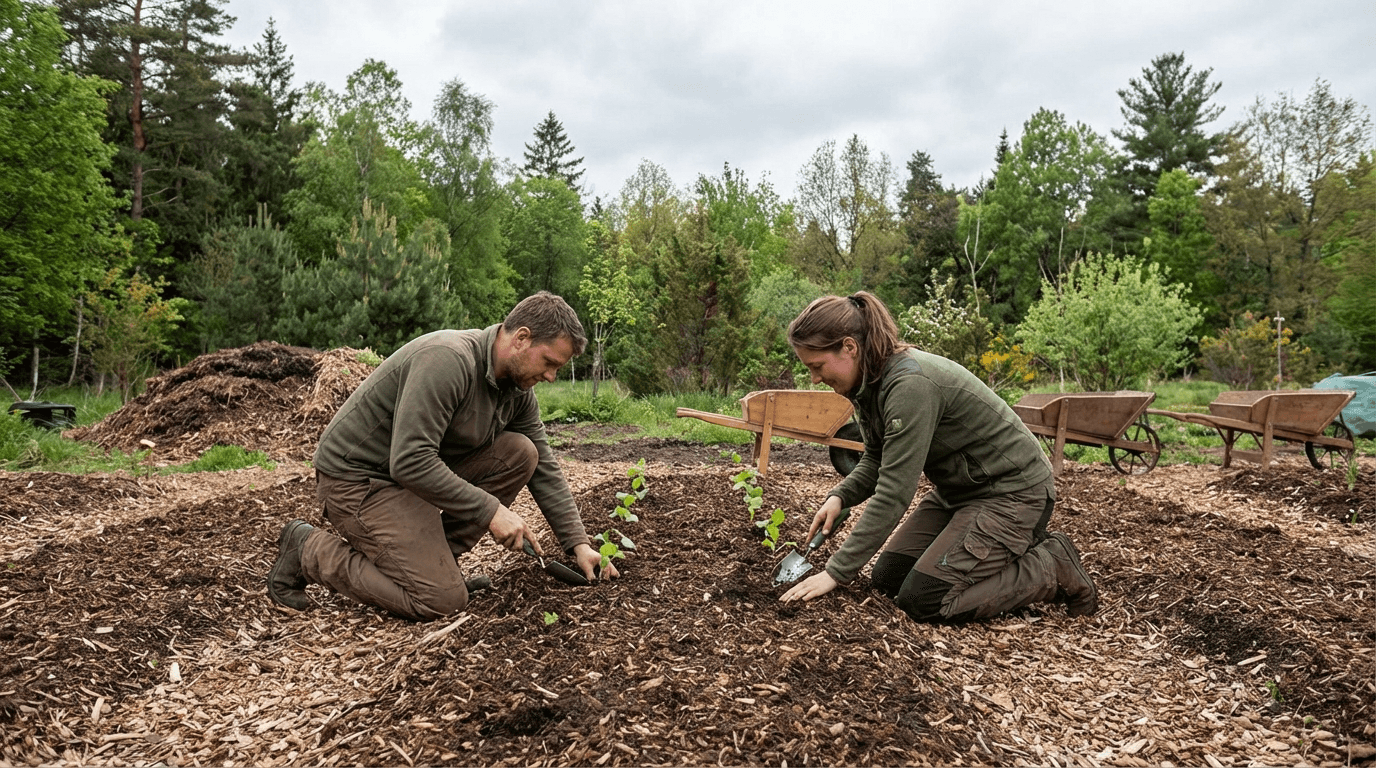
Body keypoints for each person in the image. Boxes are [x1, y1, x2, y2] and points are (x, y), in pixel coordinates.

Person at [267, 292, 616, 620]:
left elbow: (544, 463)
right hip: (358, 479)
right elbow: (410, 461)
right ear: (521, 339)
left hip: (403, 477)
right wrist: (491, 511)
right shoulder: (446, 360)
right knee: (440, 601)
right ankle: (308, 550)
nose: (552, 377)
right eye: (550, 363)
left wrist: (578, 545)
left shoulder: (516, 389)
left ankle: (438, 565)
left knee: (521, 453)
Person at [778, 292, 1097, 624]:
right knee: (888, 579)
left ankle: (1050, 566)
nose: (815, 379)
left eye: (817, 366)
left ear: (849, 347)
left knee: (925, 599)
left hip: (1013, 494)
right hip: (960, 494)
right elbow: (876, 459)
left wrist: (835, 572)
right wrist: (840, 497)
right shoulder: (867, 383)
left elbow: (894, 493)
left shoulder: (909, 385)